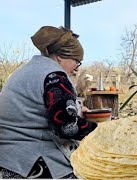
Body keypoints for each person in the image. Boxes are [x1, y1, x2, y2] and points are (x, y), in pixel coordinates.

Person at [0, 26, 97, 178]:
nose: (77, 69)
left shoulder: (24, 72)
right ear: (60, 57)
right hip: (34, 164)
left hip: (8, 160)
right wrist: (100, 130)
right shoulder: (55, 77)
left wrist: (77, 110)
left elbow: (37, 107)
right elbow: (66, 127)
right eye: (77, 62)